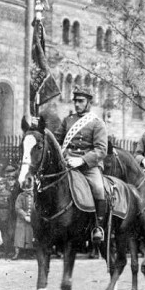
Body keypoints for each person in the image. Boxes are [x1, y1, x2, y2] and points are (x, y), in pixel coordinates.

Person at [51, 86, 108, 242]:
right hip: (68, 163)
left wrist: (82, 160)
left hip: (88, 166)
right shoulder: (68, 120)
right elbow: (56, 140)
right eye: (75, 101)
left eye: (81, 101)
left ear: (89, 102)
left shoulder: (97, 123)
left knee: (98, 188)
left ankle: (98, 226)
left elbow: (101, 150)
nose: (77, 104)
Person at [13, 176, 35, 260]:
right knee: (19, 236)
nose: (28, 190)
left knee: (30, 236)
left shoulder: (34, 196)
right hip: (21, 220)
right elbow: (17, 208)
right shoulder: (20, 196)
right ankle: (17, 253)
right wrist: (25, 215)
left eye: (29, 188)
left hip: (32, 219)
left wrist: (32, 216)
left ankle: (29, 253)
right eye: (26, 189)